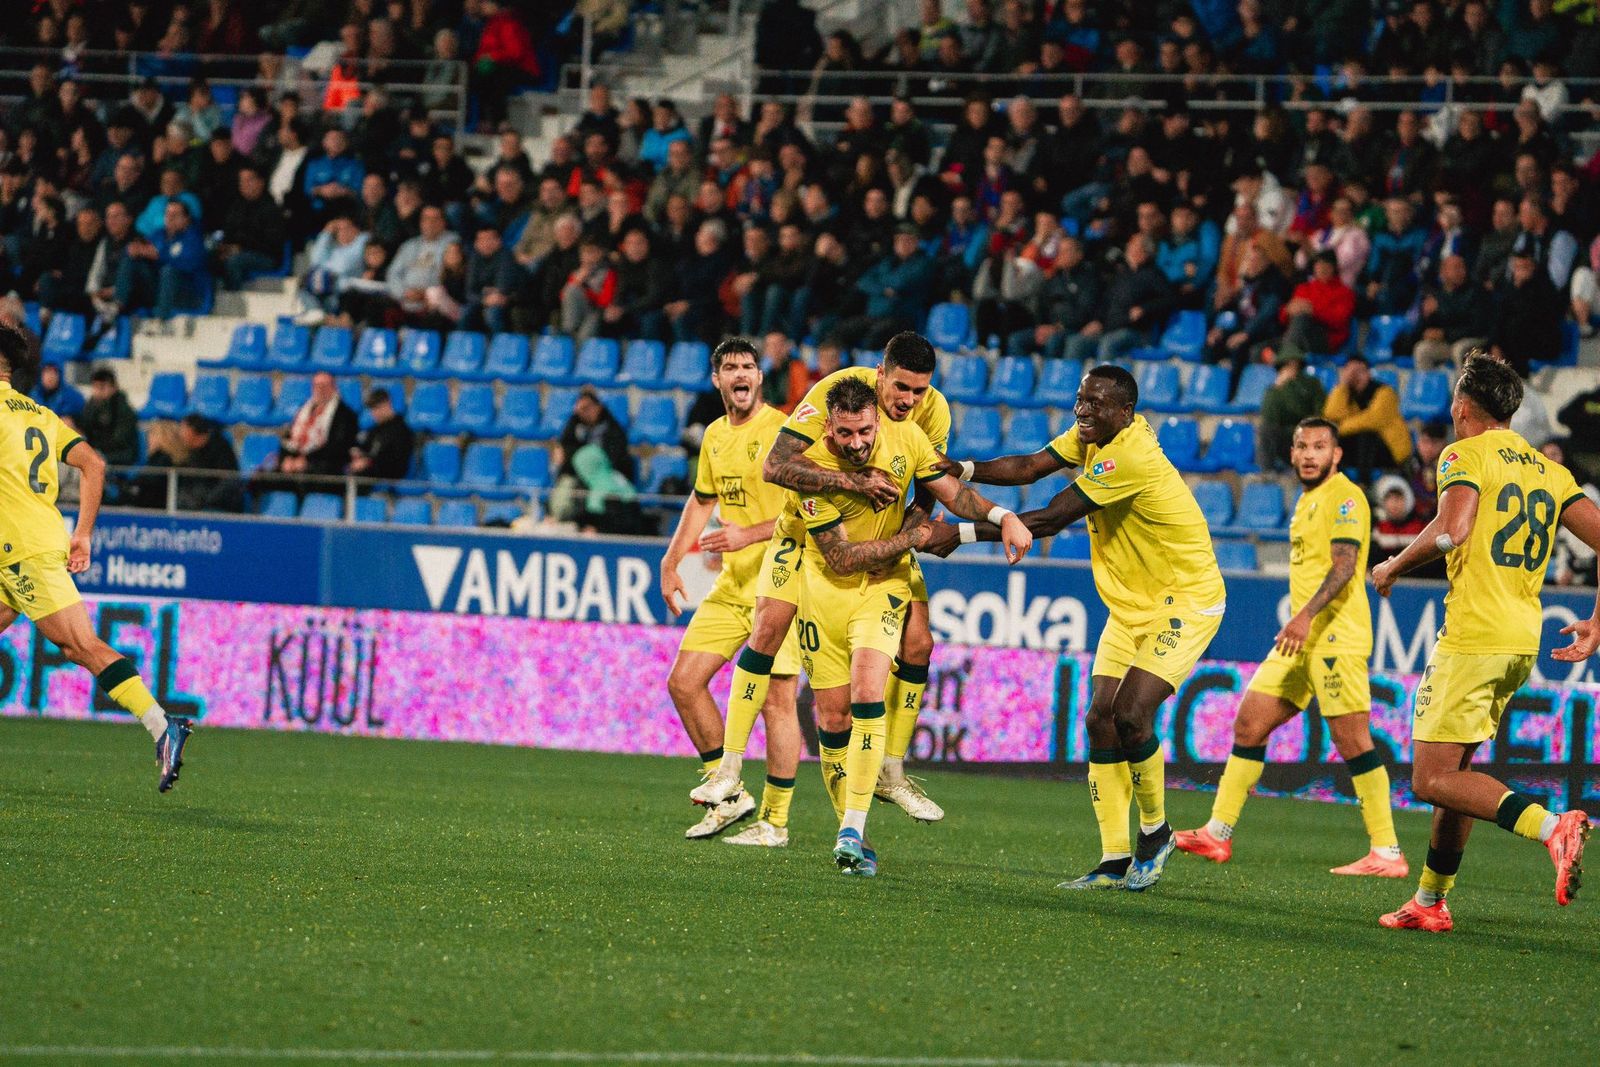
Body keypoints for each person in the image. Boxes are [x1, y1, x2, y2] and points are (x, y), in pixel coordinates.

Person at [925, 365, 1226, 891]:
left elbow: (1048, 518)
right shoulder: (1094, 435)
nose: (1083, 410)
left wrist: (962, 533)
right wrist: (964, 468)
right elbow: (1029, 465)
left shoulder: (1129, 454)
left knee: (1131, 714)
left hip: (1185, 600)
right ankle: (1113, 861)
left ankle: (1155, 833)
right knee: (1098, 721)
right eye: (1081, 399)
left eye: (1096, 403)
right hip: (1129, 604)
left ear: (1125, 413)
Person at [1370, 353, 1600, 932]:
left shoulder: (1463, 454)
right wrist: (1598, 621)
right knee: (1459, 771)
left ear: (1461, 406)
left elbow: (1453, 528)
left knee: (1430, 778)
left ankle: (1553, 828)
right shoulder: (1548, 469)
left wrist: (1393, 564)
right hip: (1521, 637)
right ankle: (1429, 902)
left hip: (1473, 636)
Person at [702, 334, 957, 825]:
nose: (909, 400)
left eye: (920, 391)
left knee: (920, 644)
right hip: (804, 532)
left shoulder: (934, 413)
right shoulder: (837, 390)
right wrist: (852, 481)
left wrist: (908, 533)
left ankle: (892, 773)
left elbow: (929, 484)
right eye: (901, 387)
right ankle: (729, 769)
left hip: (879, 539)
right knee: (768, 632)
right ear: (880, 375)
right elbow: (776, 466)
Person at [781, 374, 1030, 874]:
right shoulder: (809, 474)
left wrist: (1003, 516)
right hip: (823, 589)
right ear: (828, 428)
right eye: (846, 434)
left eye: (864, 432)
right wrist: (911, 537)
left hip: (884, 587)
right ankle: (856, 838)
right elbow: (844, 557)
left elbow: (952, 494)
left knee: (870, 687)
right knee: (833, 719)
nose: (857, 443)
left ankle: (854, 822)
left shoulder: (906, 434)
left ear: (875, 419)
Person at [1176, 419, 1405, 876]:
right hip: (1304, 639)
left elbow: (1345, 567)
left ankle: (1387, 853)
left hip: (1335, 633)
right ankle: (1217, 833)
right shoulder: (1305, 500)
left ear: (1336, 455)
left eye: (1319, 447)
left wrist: (1304, 616)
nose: (1308, 454)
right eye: (1301, 445)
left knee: (1351, 738)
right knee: (1249, 722)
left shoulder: (1344, 495)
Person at [0, 324, 193, 791]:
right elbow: (95, 464)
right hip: (29, 543)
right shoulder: (42, 414)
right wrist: (82, 533)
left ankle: (162, 725)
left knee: (80, 646)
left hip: (20, 551)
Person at [659, 339, 805, 845]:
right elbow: (702, 501)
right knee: (684, 682)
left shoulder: (783, 432)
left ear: (760, 378)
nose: (740, 374)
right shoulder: (716, 435)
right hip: (733, 582)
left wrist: (747, 533)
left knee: (776, 701)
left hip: (781, 580)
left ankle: (777, 822)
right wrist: (671, 559)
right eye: (729, 368)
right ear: (717, 380)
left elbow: (805, 510)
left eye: (748, 366)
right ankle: (729, 795)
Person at [1323, 355, 1413, 481]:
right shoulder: (1347, 393)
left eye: (1359, 371)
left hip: (1391, 451)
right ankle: (1339, 482)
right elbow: (1331, 415)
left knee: (1366, 435)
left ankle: (1364, 484)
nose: (1355, 376)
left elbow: (1373, 420)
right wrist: (1343, 386)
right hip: (1362, 452)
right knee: (1331, 442)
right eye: (1351, 372)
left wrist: (1340, 428)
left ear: (1368, 373)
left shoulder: (1385, 392)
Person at [215, 166, 286, 290]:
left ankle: (234, 299)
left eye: (249, 180)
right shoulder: (236, 207)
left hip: (266, 256)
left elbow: (272, 243)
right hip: (237, 251)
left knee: (235, 261)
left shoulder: (271, 209)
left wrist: (241, 247)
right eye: (241, 181)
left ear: (261, 182)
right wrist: (225, 247)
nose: (244, 185)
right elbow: (228, 232)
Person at [1255, 346, 1326, 472]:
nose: (1291, 367)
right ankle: (1266, 472)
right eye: (1287, 364)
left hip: (1306, 433)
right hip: (1285, 437)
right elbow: (1269, 415)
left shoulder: (1312, 384)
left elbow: (1318, 412)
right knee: (1265, 429)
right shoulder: (1274, 389)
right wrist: (1277, 388)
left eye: (1294, 363)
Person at [278, 372, 359, 479]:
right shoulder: (304, 410)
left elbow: (338, 447)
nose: (319, 390)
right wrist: (288, 458)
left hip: (325, 467)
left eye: (324, 386)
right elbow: (290, 438)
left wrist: (306, 460)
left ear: (333, 388)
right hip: (298, 462)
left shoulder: (346, 415)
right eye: (316, 386)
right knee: (262, 476)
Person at [175, 414, 243, 512]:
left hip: (220, 505)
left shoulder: (220, 447)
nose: (180, 434)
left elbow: (228, 483)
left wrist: (204, 501)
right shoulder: (189, 452)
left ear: (192, 431)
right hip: (194, 502)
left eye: (183, 429)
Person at [348, 388, 414, 483]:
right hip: (372, 471)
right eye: (372, 409)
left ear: (387, 404)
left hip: (389, 474)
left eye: (377, 408)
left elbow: (397, 463)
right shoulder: (375, 429)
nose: (374, 413)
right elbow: (366, 447)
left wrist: (368, 463)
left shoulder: (402, 430)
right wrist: (357, 451)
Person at [79, 368, 139, 467]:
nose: (98, 391)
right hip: (97, 452)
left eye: (102, 387)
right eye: (95, 387)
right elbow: (85, 428)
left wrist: (95, 451)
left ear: (113, 388)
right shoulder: (91, 407)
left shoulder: (124, 410)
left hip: (120, 455)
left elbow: (119, 441)